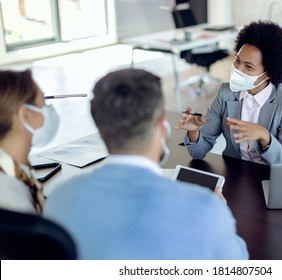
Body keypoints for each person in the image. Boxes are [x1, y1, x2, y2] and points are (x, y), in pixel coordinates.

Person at [43, 68, 248, 260]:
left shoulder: (59, 199)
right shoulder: (206, 209)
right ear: (162, 127)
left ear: (100, 128)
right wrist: (222, 215)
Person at [176, 20, 282, 165]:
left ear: (268, 74)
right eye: (237, 61)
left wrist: (265, 136)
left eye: (248, 67)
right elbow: (198, 153)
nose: (238, 69)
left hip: (268, 177)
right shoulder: (225, 92)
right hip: (234, 174)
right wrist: (194, 132)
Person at [0, 69, 60, 214]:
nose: (48, 109)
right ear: (25, 115)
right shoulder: (13, 201)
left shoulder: (17, 167)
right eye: (44, 102)